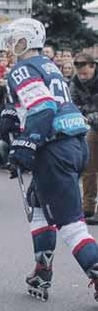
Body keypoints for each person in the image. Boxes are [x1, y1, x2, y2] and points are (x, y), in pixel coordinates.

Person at [0, 18, 97, 302]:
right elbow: (38, 101)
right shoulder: (47, 64)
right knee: (38, 204)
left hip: (55, 148)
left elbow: (43, 108)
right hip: (74, 145)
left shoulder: (22, 67)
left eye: (14, 38)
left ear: (26, 40)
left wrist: (25, 144)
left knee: (71, 225)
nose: (10, 43)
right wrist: (10, 113)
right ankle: (42, 270)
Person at [69, 53, 98, 225]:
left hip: (93, 121)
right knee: (89, 168)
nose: (82, 77)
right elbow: (72, 103)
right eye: (80, 73)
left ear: (93, 66)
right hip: (92, 127)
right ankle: (87, 207)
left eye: (85, 73)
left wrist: (91, 115)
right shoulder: (75, 82)